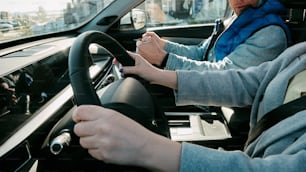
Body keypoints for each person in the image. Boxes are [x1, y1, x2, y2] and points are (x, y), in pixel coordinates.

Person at [72, 41, 306, 171]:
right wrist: (158, 73)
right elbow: (244, 82)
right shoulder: (300, 53)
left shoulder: (270, 32)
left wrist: (147, 147)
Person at [136, 0, 291, 71]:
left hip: (238, 116)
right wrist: (163, 46)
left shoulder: (270, 33)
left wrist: (163, 59)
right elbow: (202, 53)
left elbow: (224, 76)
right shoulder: (237, 19)